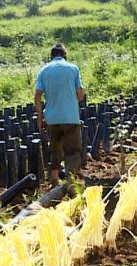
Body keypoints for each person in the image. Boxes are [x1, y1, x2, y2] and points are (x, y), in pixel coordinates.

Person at [35, 43, 86, 185]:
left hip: (52, 118)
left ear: (51, 56)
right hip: (71, 117)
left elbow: (37, 94)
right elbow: (80, 94)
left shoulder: (44, 70)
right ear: (64, 55)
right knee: (73, 150)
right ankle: (71, 182)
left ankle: (54, 178)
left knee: (55, 149)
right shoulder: (73, 69)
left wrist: (40, 118)